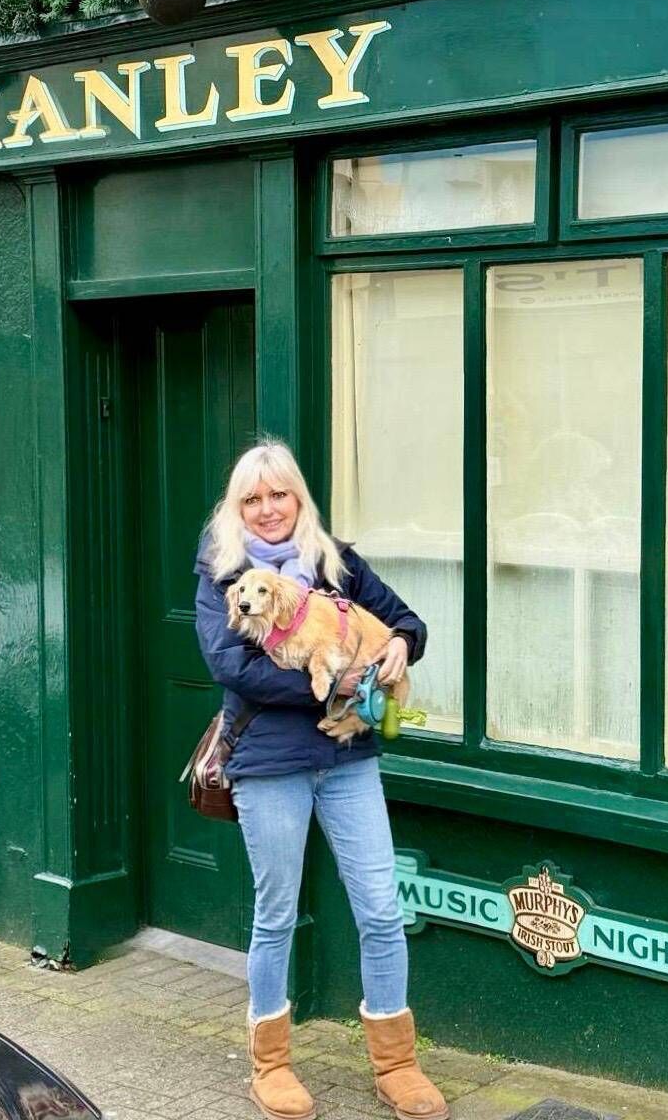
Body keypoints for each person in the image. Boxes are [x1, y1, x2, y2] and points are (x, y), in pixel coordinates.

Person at [194, 439, 449, 1120]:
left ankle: (396, 1063)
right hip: (270, 764)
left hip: (348, 758)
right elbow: (235, 669)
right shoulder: (222, 568)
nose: (268, 508)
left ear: (298, 497)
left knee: (381, 907)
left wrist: (397, 647)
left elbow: (407, 622)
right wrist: (335, 680)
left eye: (279, 494)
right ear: (236, 507)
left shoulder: (332, 560)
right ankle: (270, 1064)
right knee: (276, 915)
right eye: (253, 497)